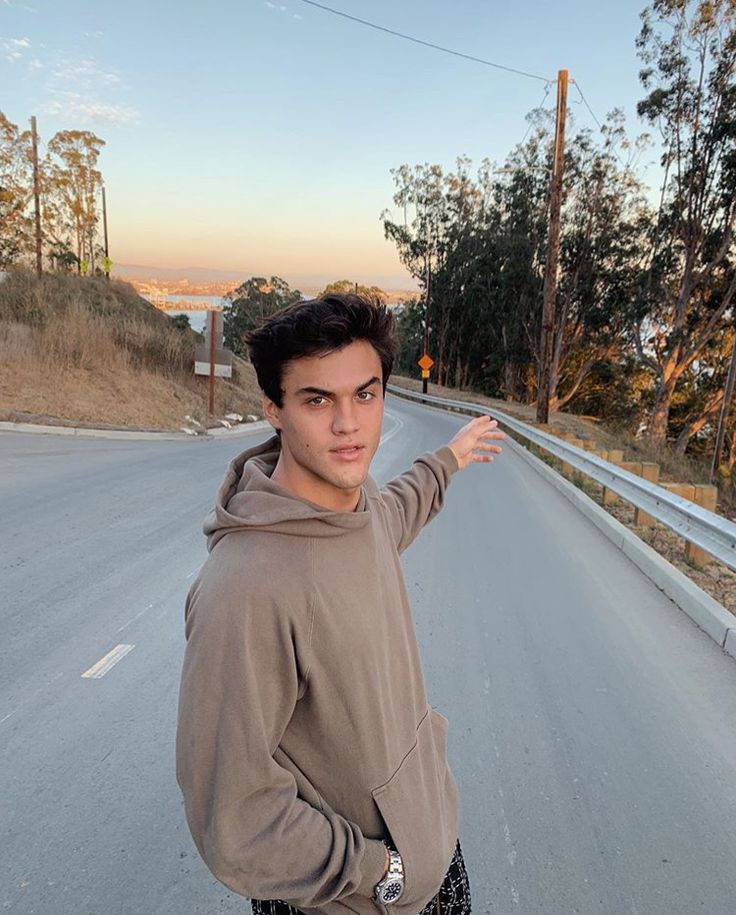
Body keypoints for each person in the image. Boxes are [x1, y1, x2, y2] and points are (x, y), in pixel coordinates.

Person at [176, 293, 506, 915]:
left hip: (429, 851)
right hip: (350, 896)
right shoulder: (245, 590)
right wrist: (379, 870)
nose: (349, 424)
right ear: (273, 408)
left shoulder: (360, 511)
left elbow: (395, 512)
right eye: (317, 399)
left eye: (366, 393)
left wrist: (449, 459)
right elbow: (235, 821)